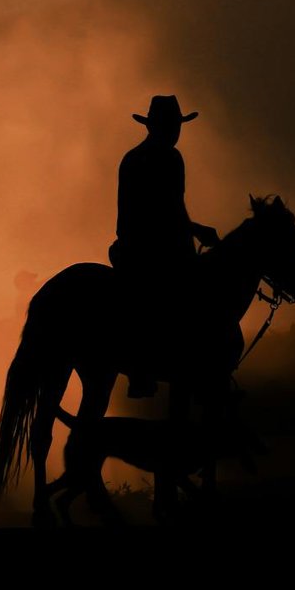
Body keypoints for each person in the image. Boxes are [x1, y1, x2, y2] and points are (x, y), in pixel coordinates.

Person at [109, 95, 220, 397]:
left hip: (139, 242)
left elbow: (174, 208)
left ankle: (145, 370)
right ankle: (146, 369)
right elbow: (166, 209)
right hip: (145, 246)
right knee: (171, 299)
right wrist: (195, 231)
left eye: (176, 126)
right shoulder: (164, 159)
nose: (175, 132)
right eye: (172, 126)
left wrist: (190, 232)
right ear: (158, 127)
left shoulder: (141, 158)